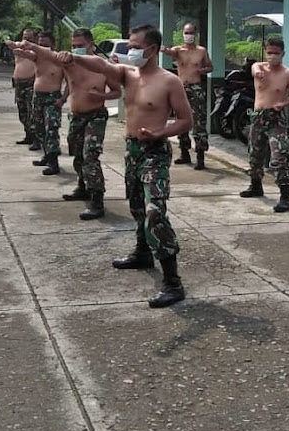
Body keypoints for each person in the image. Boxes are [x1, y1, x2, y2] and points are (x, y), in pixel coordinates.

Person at [58, 24, 193, 308]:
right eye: (129, 45)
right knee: (136, 207)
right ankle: (142, 253)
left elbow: (185, 121)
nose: (130, 50)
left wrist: (160, 133)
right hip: (132, 150)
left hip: (154, 151)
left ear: (152, 49)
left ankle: (173, 282)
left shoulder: (170, 82)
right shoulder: (127, 74)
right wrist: (75, 58)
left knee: (155, 212)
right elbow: (99, 63)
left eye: (135, 46)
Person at [61, 28, 120, 220]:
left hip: (96, 115)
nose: (76, 49)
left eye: (80, 46)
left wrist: (101, 95)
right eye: (74, 46)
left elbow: (116, 92)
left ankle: (97, 200)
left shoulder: (102, 66)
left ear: (90, 45)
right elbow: (69, 84)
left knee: (90, 156)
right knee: (77, 154)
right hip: (76, 115)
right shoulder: (69, 63)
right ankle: (83, 186)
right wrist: (63, 98)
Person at [239, 37, 289, 213]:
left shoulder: (288, 74)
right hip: (258, 116)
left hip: (275, 118)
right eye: (269, 52)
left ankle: (285, 196)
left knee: (279, 155)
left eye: (276, 53)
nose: (272, 56)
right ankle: (255, 185)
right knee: (255, 154)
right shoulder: (259, 68)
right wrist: (257, 70)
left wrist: (284, 103)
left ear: (283, 54)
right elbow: (254, 67)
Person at [160, 22, 213, 170]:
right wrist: (163, 49)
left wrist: (202, 71)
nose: (188, 35)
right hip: (181, 88)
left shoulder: (201, 51)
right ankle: (184, 152)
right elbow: (170, 52)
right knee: (181, 120)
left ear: (195, 35)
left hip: (196, 87)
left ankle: (200, 156)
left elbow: (210, 66)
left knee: (199, 122)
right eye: (186, 32)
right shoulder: (178, 50)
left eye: (190, 33)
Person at [13, 31, 64, 176]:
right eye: (40, 44)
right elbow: (26, 53)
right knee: (39, 128)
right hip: (38, 97)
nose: (42, 47)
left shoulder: (59, 59)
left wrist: (63, 99)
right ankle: (47, 156)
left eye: (45, 44)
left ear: (52, 44)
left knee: (51, 130)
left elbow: (70, 82)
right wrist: (18, 48)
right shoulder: (36, 58)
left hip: (52, 98)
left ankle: (54, 163)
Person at [6, 28, 38, 145]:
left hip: (31, 83)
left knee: (32, 111)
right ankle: (28, 135)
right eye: (25, 37)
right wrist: (13, 43)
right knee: (22, 111)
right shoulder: (19, 47)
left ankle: (36, 138)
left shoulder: (37, 50)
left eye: (29, 38)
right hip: (19, 84)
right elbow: (9, 44)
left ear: (35, 39)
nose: (26, 41)